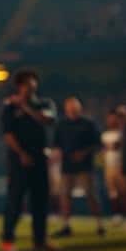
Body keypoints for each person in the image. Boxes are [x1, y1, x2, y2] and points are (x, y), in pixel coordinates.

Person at [1, 69, 57, 251]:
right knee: (15, 200)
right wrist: (21, 154)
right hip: (19, 159)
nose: (31, 86)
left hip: (40, 157)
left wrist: (25, 107)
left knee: (40, 201)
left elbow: (46, 120)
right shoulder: (9, 108)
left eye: (33, 82)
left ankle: (40, 240)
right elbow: (8, 135)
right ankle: (8, 240)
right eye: (26, 83)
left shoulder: (44, 103)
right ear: (19, 86)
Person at [52, 96, 104, 238]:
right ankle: (66, 225)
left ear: (79, 108)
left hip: (85, 166)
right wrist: (56, 155)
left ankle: (100, 224)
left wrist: (84, 153)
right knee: (65, 197)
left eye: (75, 108)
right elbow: (57, 145)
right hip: (67, 166)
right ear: (66, 109)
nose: (73, 111)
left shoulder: (88, 123)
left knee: (91, 195)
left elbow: (98, 143)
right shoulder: (61, 125)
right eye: (70, 108)